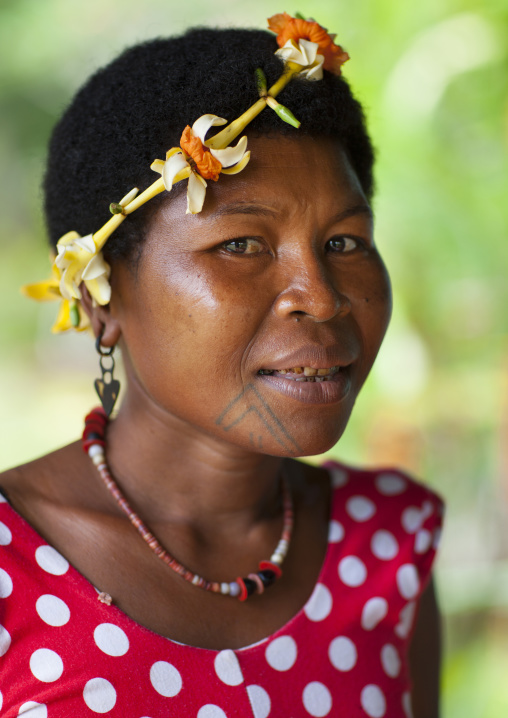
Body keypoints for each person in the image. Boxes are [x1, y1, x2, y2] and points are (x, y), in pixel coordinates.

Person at [0, 13, 444, 718]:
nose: (322, 299)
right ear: (100, 297)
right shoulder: (12, 568)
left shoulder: (389, 543)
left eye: (344, 242)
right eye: (242, 244)